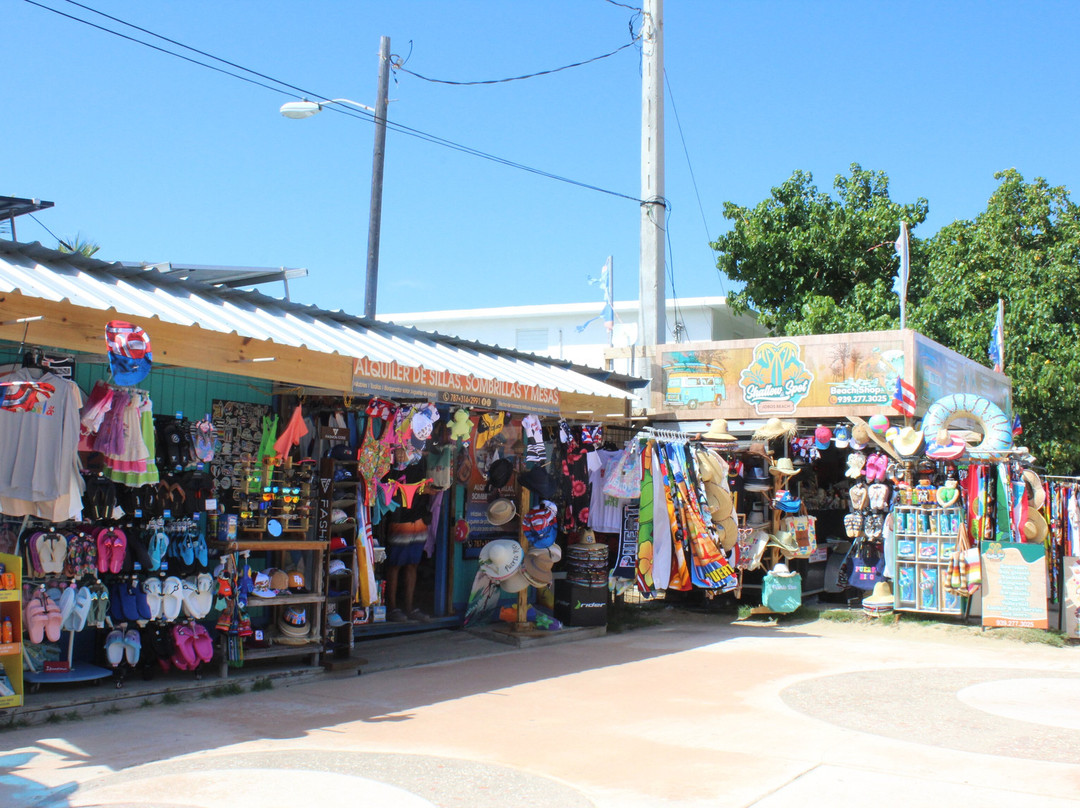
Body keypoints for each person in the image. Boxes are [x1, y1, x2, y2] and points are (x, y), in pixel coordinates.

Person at [384, 462, 432, 622]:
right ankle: (392, 608)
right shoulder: (396, 464)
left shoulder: (421, 463)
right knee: (395, 565)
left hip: (419, 519)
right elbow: (387, 489)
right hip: (400, 518)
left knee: (412, 565)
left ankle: (409, 608)